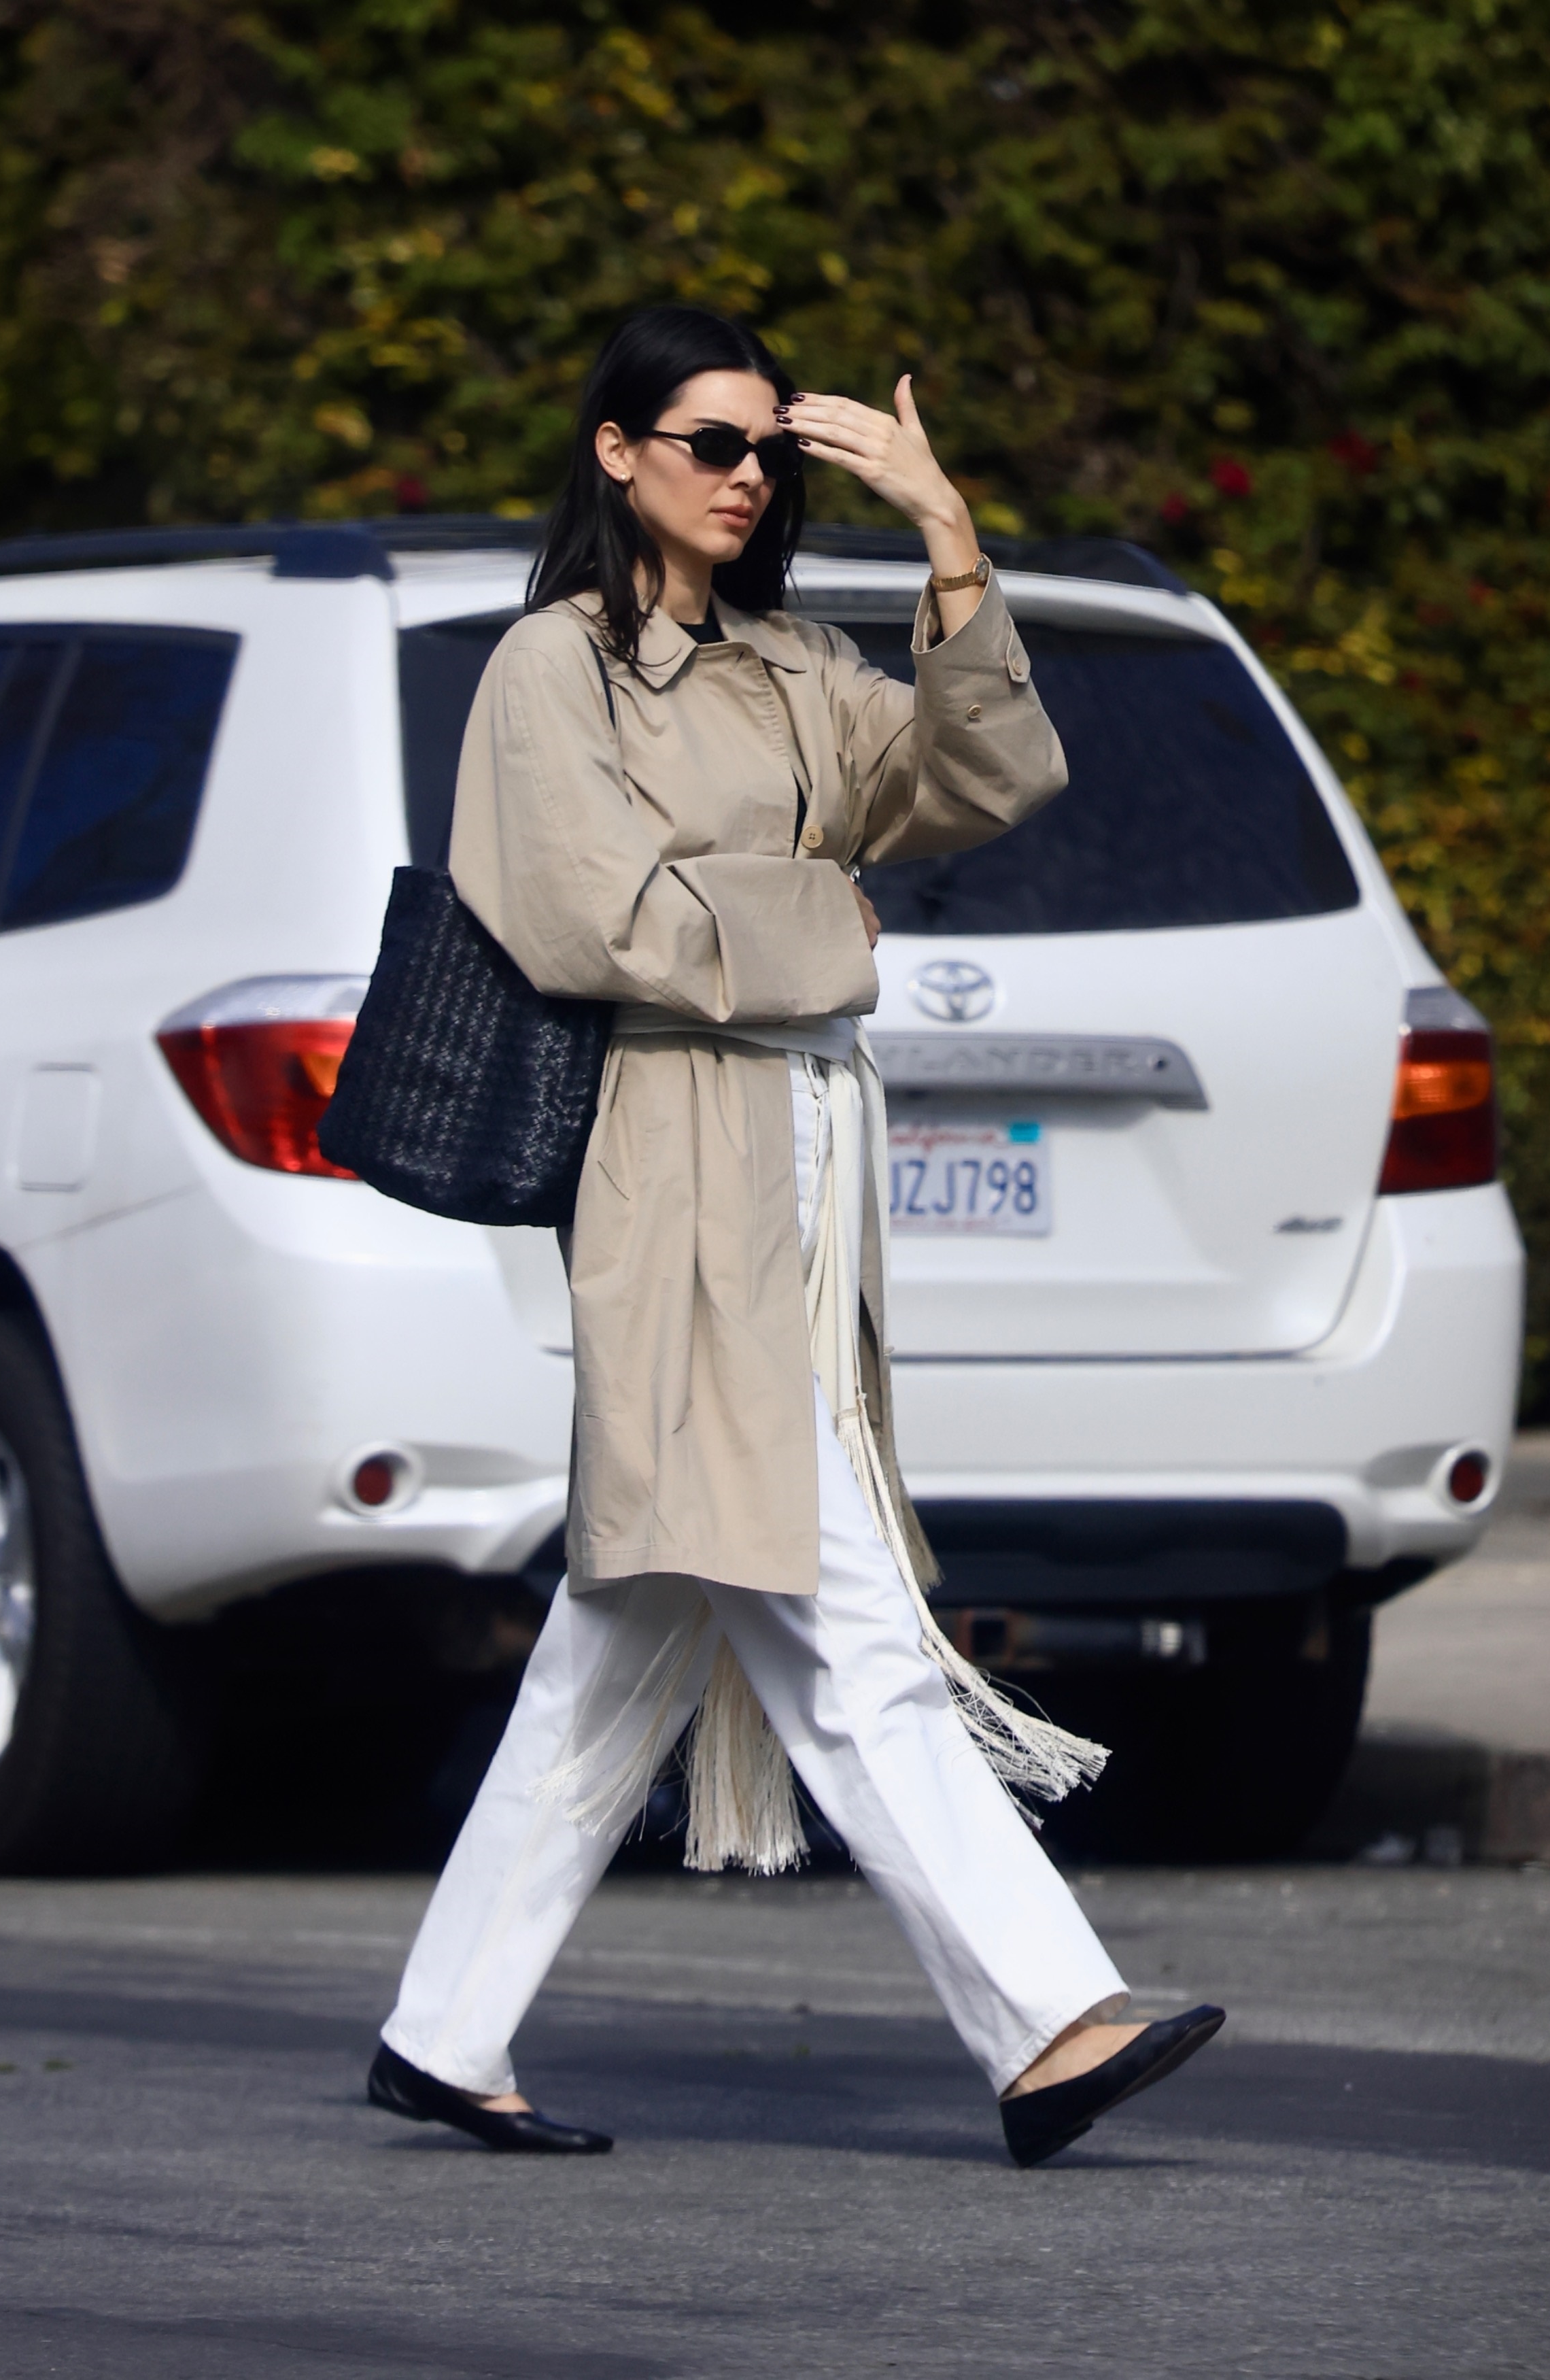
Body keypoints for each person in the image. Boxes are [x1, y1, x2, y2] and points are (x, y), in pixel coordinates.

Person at [368, 305, 1222, 2169]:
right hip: (677, 1151)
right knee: (832, 1597)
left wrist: (944, 540)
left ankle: (443, 2029)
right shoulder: (549, 673)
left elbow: (980, 784)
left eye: (770, 450)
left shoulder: (788, 662)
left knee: (638, 1607)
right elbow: (597, 922)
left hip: (808, 1143)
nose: (748, 478)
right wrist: (822, 925)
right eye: (710, 442)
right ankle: (1042, 2015)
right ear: (616, 452)